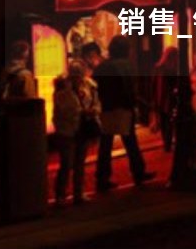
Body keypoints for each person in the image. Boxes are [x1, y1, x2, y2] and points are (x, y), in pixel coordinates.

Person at [94, 36, 155, 192]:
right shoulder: (126, 66)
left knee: (105, 144)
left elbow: (96, 86)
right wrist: (133, 104)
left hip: (106, 108)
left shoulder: (102, 67)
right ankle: (138, 172)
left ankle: (102, 177)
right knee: (131, 142)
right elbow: (129, 88)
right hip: (123, 107)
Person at [53, 61, 101, 205]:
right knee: (66, 163)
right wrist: (82, 112)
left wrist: (94, 111)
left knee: (80, 163)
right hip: (67, 129)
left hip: (83, 128)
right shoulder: (62, 89)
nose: (78, 79)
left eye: (79, 75)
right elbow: (64, 110)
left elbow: (96, 103)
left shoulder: (89, 86)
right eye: (75, 76)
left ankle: (78, 193)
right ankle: (60, 195)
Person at [152, 47, 178, 153]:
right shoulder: (172, 69)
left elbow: (154, 85)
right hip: (169, 98)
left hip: (160, 98)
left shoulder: (158, 68)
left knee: (164, 122)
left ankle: (166, 144)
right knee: (169, 122)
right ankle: (168, 143)